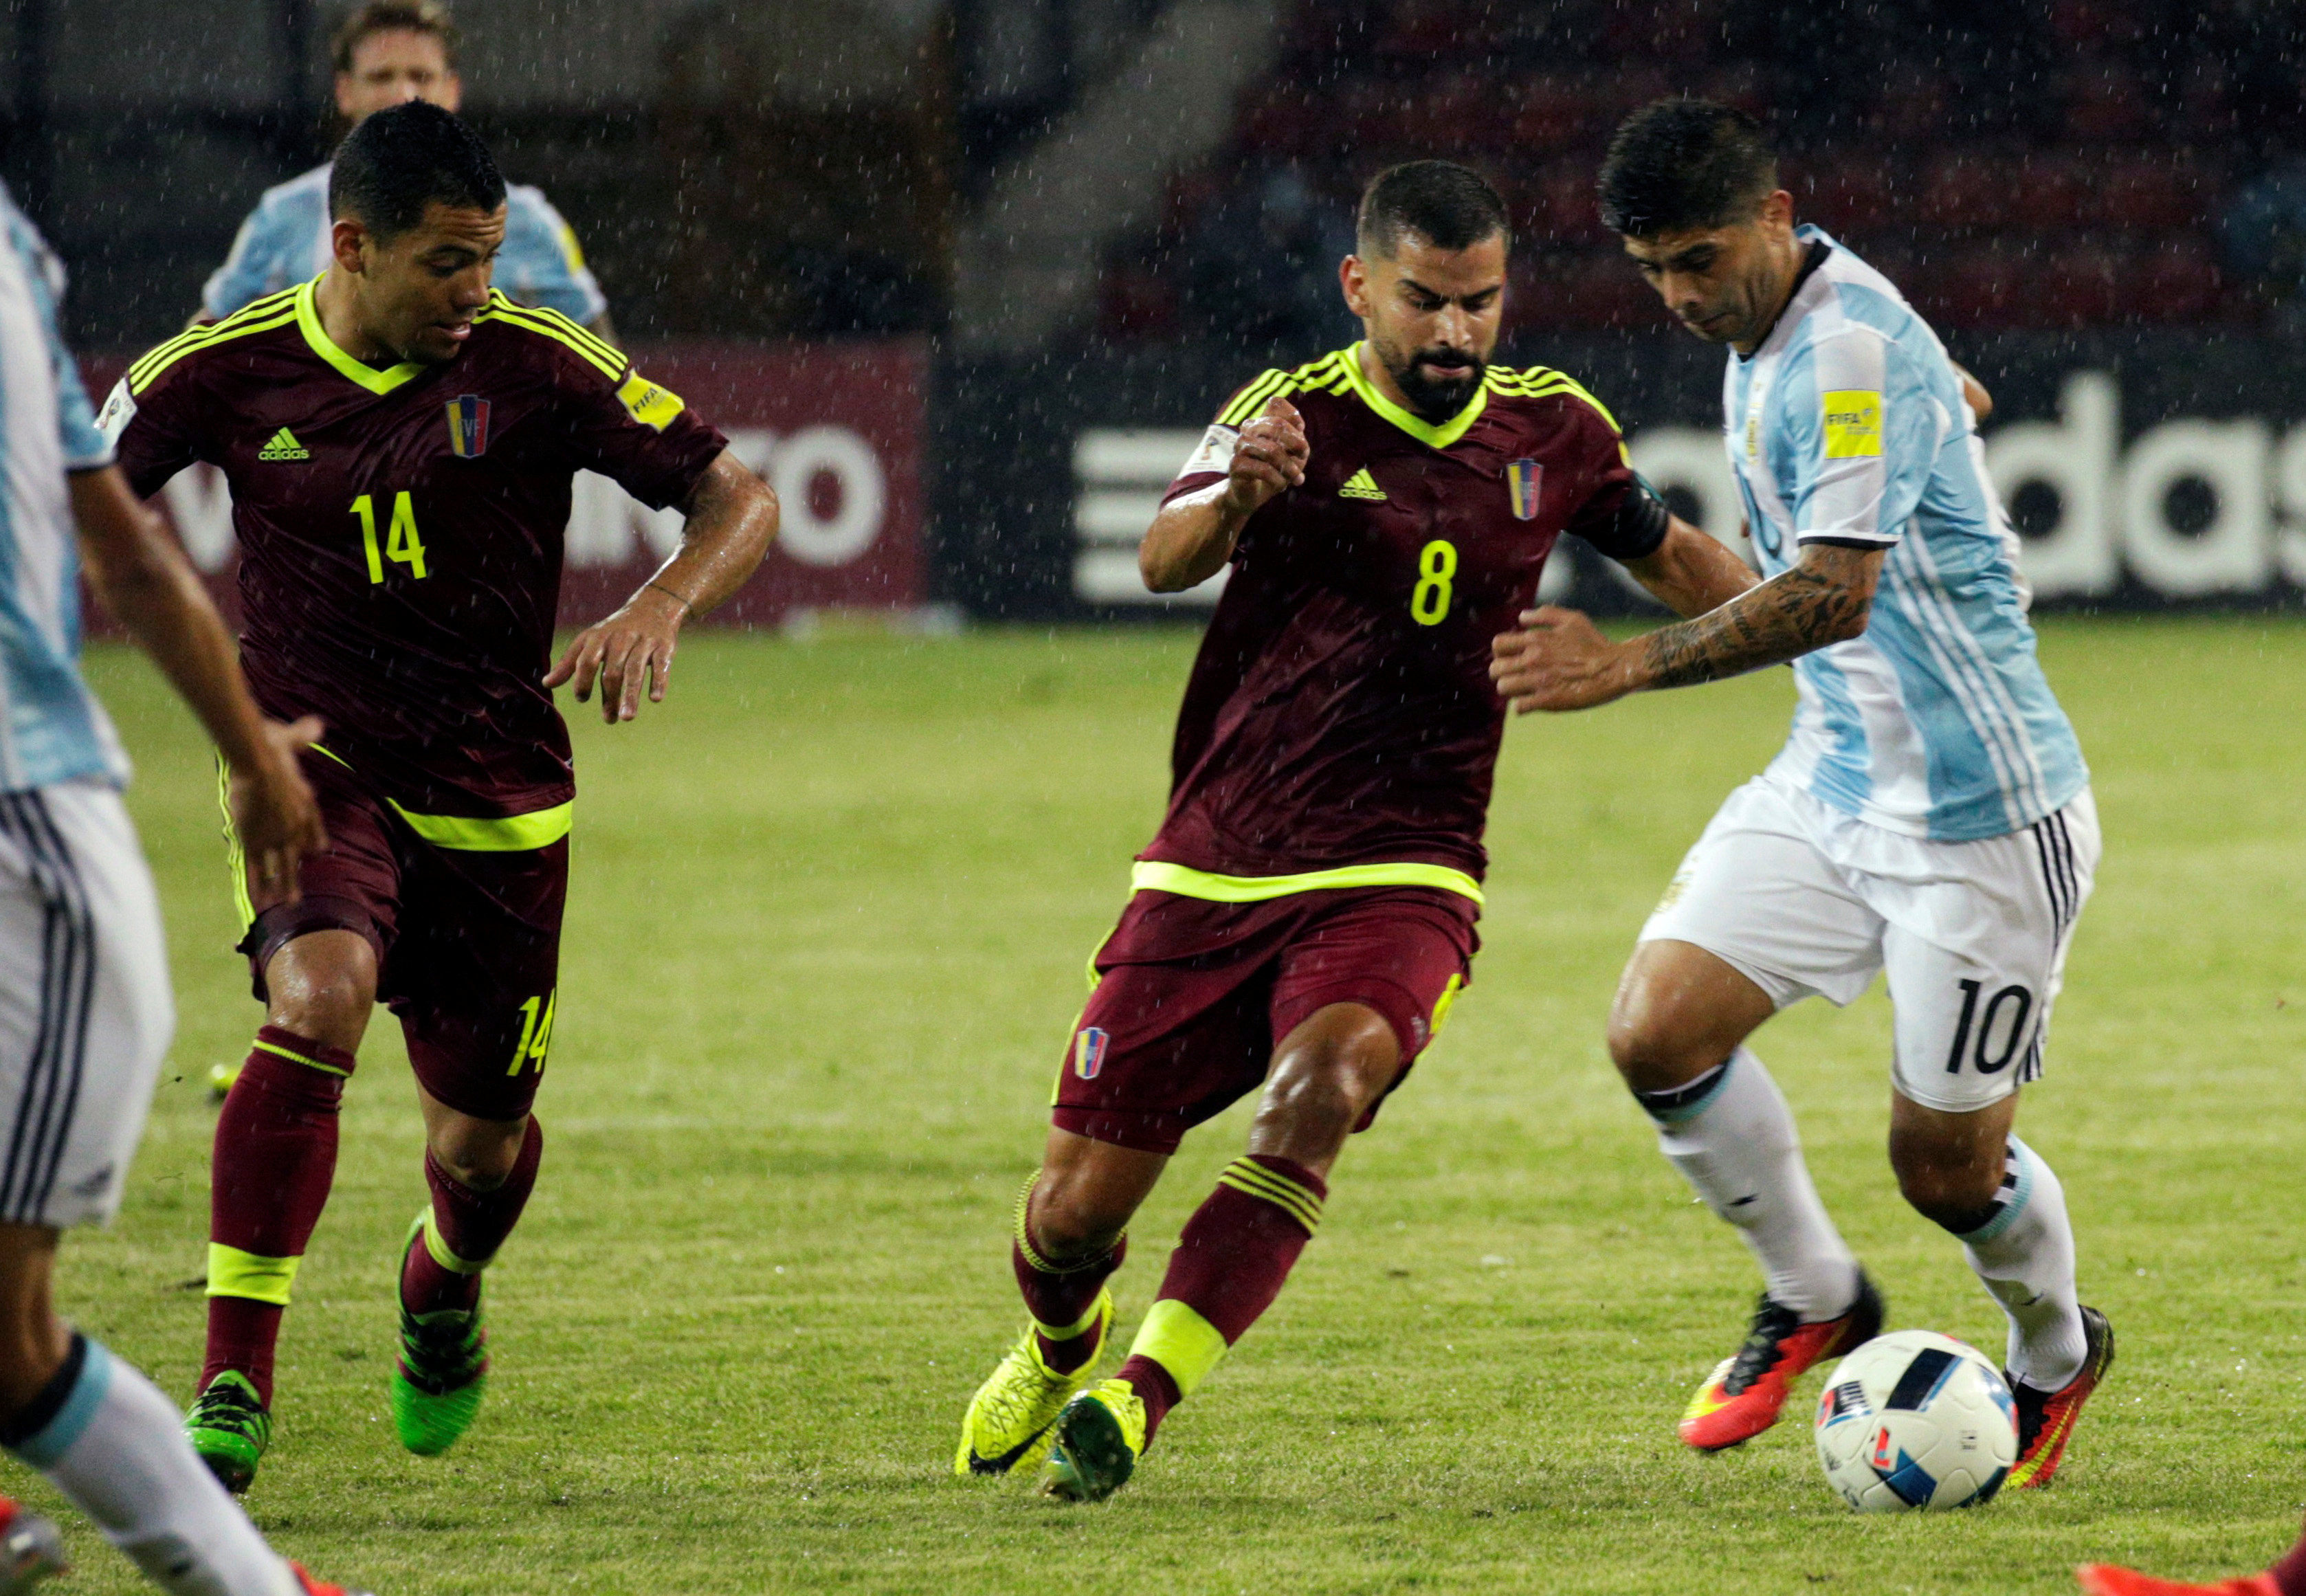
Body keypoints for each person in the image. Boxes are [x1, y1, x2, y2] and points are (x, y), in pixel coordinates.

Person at [953, 159, 1760, 1503]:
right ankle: (1061, 1339)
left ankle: (1139, 1398)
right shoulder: (1287, 418)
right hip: (1217, 857)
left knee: (1319, 1095)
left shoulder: (1556, 433)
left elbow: (1679, 559)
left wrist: (1813, 622)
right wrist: (1239, 497)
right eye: (1426, 302)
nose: (1454, 333)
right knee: (1072, 1213)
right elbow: (1162, 559)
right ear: (1360, 287)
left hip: (1410, 866)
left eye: (1481, 304)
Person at [102, 101, 777, 1494]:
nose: (479, 293)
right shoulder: (217, 375)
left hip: (501, 805)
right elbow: (67, 506)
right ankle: (234, 1374)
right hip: (314, 768)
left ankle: (445, 1285)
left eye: (492, 260)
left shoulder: (537, 367)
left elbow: (738, 497)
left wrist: (658, 602)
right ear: (352, 245)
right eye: (449, 265)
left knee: (478, 1148)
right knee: (320, 1001)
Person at [1490, 99, 2110, 1487]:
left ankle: (2059, 1356)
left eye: (1700, 261)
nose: (1679, 297)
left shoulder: (1838, 345)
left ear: (1776, 215)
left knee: (1944, 1171)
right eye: (1652, 270)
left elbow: (1833, 593)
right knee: (1656, 1034)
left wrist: (1629, 665)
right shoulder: (1796, 322)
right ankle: (1816, 1291)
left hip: (1983, 819)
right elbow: (1949, 396)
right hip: (1829, 782)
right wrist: (1930, 417)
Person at [0, 178, 368, 1596]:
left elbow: (128, 551)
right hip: (41, 828)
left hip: (26, 828)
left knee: (14, 1334)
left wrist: (257, 761)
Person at [201, 0, 610, 338]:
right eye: (382, 77)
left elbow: (603, 368)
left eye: (421, 76)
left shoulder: (527, 220)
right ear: (345, 92)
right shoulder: (280, 217)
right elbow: (201, 348)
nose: (403, 94)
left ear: (452, 90)